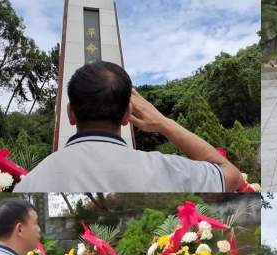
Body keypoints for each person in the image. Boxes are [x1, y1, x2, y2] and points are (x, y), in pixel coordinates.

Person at [14, 61, 243, 192]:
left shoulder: (31, 183)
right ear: (127, 115)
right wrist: (164, 122)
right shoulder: (164, 170)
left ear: (71, 114)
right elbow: (231, 175)